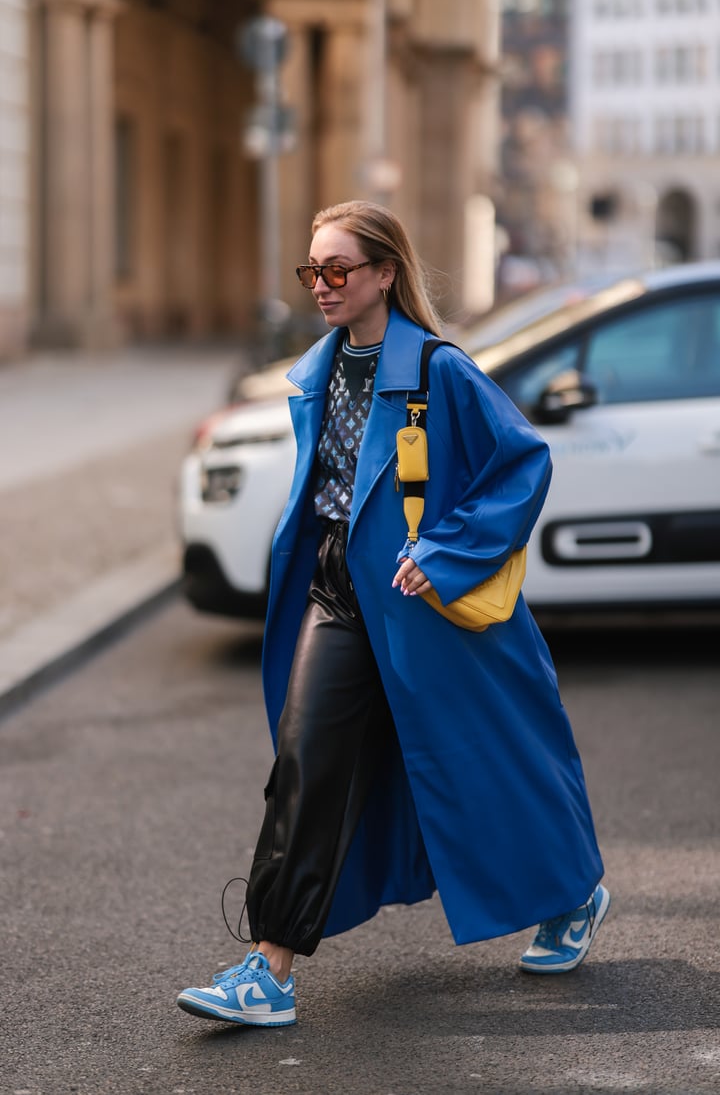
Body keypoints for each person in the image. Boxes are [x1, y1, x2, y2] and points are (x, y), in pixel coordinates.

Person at [176, 200, 609, 1028]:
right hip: (338, 591)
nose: (322, 285)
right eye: (312, 270)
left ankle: (575, 890)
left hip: (425, 599)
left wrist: (445, 551)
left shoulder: (440, 369)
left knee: (491, 760)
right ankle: (270, 968)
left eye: (338, 269)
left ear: (383, 273)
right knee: (306, 764)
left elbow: (520, 464)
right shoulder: (319, 369)